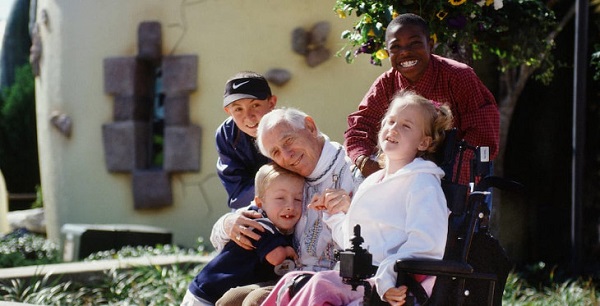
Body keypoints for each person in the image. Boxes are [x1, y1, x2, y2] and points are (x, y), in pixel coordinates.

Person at [261, 90, 453, 305]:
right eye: (390, 121)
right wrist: (334, 214)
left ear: (423, 143)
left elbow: (426, 245)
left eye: (405, 126)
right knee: (291, 282)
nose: (393, 129)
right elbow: (353, 242)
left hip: (393, 287)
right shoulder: (373, 181)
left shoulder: (423, 183)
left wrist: (388, 278)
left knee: (318, 286)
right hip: (361, 278)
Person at [210, 107, 362, 305]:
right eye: (276, 152)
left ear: (310, 126)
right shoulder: (289, 177)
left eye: (288, 141)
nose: (287, 156)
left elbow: (380, 238)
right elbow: (232, 224)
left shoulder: (355, 171)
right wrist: (228, 223)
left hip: (338, 283)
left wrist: (350, 211)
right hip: (295, 277)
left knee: (256, 301)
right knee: (230, 300)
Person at [345, 13, 499, 185]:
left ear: (430, 45)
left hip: (462, 174)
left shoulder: (459, 76)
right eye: (396, 47)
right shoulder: (385, 84)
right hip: (402, 179)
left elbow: (482, 133)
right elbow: (359, 128)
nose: (405, 52)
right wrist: (366, 163)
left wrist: (452, 183)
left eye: (415, 43)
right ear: (388, 52)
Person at [181, 163, 304, 306]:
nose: (290, 205)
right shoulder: (258, 224)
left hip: (225, 294)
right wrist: (287, 250)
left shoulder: (281, 227)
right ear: (259, 202)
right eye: (280, 198)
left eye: (298, 199)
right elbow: (276, 257)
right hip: (207, 294)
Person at [216, 71, 277, 210]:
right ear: (228, 111)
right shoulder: (226, 134)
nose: (249, 117)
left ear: (271, 103)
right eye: (238, 109)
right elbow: (237, 196)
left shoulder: (289, 127)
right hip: (251, 208)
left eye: (255, 105)